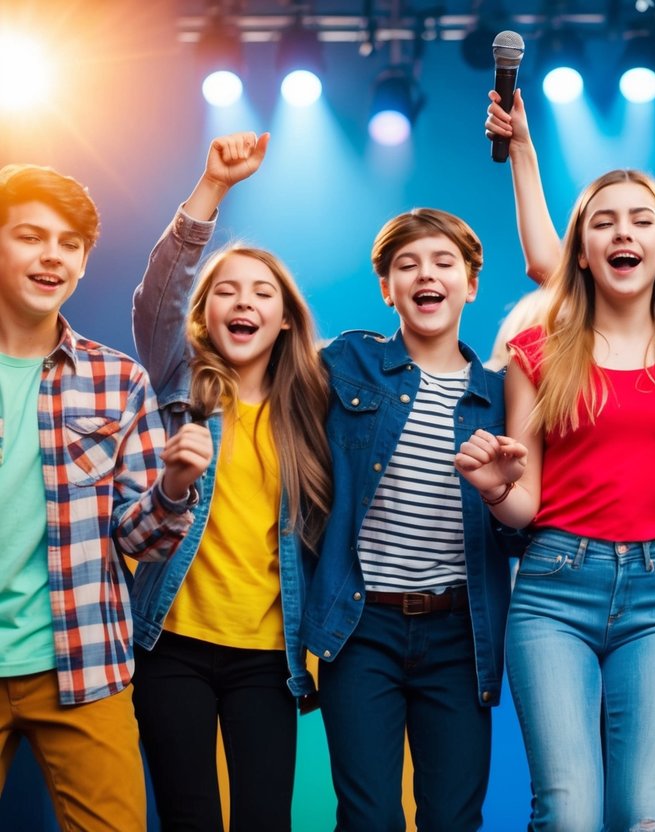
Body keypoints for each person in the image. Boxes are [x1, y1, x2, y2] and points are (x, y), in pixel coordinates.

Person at [458, 89, 655, 831]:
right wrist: (495, 488)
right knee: (568, 812)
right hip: (553, 591)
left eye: (641, 220)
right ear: (582, 251)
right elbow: (525, 507)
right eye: (603, 222)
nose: (622, 231)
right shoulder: (538, 352)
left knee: (642, 815)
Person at [129, 132, 332, 831]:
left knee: (264, 821)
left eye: (262, 292)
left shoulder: (314, 408)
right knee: (189, 818)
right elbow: (159, 297)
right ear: (205, 313)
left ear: (285, 319)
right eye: (226, 291)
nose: (244, 302)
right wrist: (213, 186)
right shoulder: (177, 378)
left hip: (267, 657)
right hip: (171, 644)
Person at [0, 163, 210, 830]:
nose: (51, 256)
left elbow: (140, 539)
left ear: (85, 263)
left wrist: (174, 486)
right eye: (30, 236)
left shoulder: (120, 380)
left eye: (69, 244)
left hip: (82, 659)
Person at [302, 206, 517, 832]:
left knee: (453, 819)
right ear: (387, 288)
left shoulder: (501, 396)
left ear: (470, 284)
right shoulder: (348, 363)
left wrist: (502, 491)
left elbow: (520, 530)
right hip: (362, 626)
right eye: (408, 265)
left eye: (443, 262)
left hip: (459, 634)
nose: (426, 274)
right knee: (369, 819)